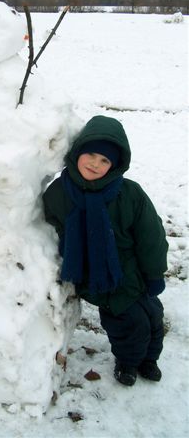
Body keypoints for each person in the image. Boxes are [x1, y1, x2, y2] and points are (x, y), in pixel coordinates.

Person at [43, 115, 168, 386]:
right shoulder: (60, 193)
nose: (95, 164)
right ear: (77, 152)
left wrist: (155, 273)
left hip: (133, 270)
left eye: (105, 161)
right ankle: (129, 362)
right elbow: (48, 228)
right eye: (91, 155)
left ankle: (150, 359)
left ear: (115, 165)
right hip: (97, 277)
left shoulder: (129, 194)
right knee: (127, 323)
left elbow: (151, 237)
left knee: (153, 317)